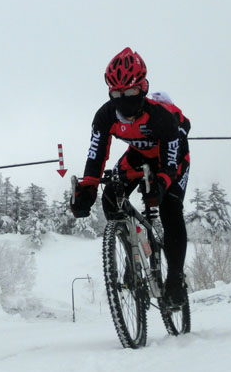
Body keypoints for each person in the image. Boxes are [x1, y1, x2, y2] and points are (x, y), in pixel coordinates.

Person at [70, 47, 191, 306]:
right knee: (111, 196)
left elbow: (170, 165)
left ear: (143, 88)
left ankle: (175, 279)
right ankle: (133, 254)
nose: (123, 99)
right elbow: (96, 154)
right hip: (137, 154)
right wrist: (87, 188)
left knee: (169, 207)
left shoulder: (162, 118)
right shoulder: (105, 116)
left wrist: (161, 184)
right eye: (116, 94)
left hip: (173, 158)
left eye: (130, 93)